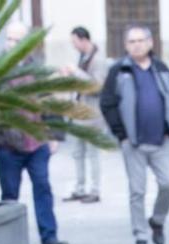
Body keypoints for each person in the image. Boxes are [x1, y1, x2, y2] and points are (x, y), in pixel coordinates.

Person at [98, 25, 169, 244]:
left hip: (161, 141)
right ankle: (141, 235)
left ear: (151, 43)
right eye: (132, 41)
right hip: (134, 143)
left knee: (168, 184)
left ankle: (157, 221)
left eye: (141, 40)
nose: (137, 45)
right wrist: (121, 134)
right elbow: (107, 103)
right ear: (126, 45)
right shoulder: (119, 71)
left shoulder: (161, 69)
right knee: (137, 191)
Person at [0, 21, 69, 244]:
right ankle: (9, 243)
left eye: (17, 39)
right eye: (9, 38)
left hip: (37, 144)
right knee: (9, 195)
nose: (12, 43)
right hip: (8, 144)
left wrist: (54, 135)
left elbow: (51, 102)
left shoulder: (38, 70)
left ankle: (49, 237)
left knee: (43, 188)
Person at [62, 26, 103, 203]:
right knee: (77, 153)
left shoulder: (98, 59)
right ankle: (80, 188)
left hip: (92, 115)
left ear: (83, 39)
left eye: (74, 42)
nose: (73, 46)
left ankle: (95, 190)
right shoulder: (83, 57)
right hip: (79, 113)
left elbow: (97, 86)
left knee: (93, 153)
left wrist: (76, 72)